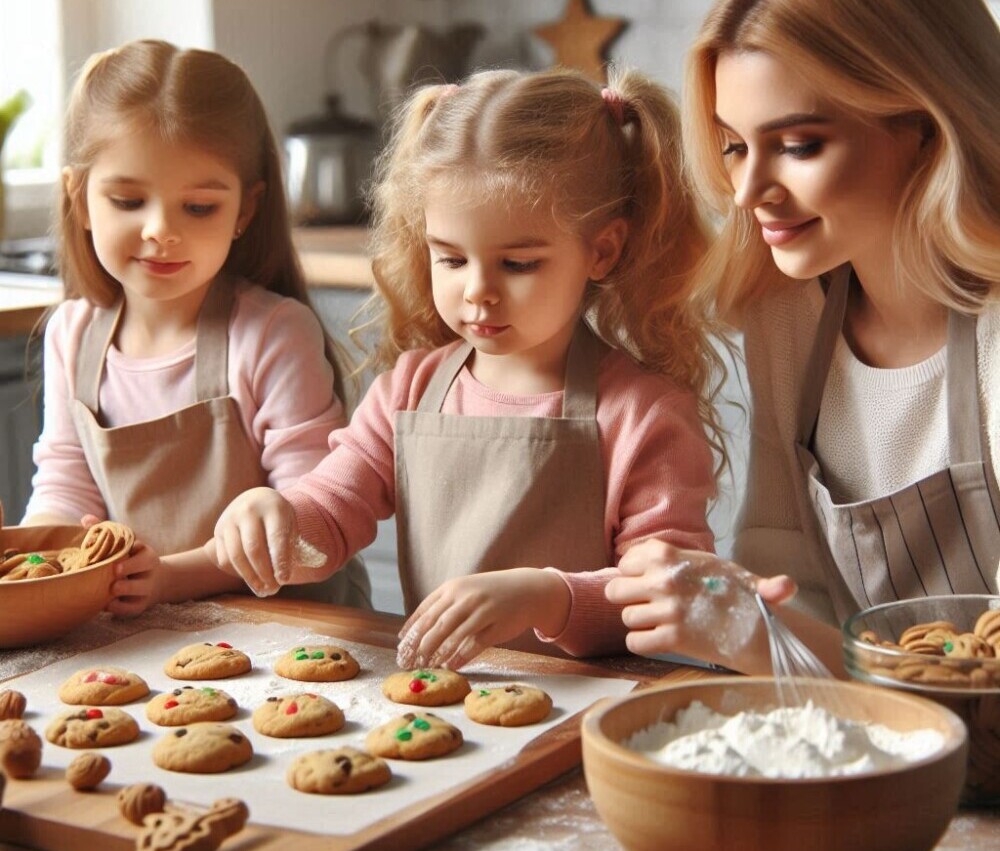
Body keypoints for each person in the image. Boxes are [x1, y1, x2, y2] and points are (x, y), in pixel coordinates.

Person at [212, 66, 725, 670]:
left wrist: (548, 598)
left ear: (601, 250)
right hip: (444, 713)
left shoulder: (642, 414)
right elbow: (329, 514)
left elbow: (674, 603)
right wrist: (277, 517)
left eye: (518, 264)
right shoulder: (410, 390)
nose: (479, 291)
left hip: (587, 720)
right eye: (451, 259)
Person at [606, 0, 1000, 675]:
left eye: (798, 145)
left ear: (929, 131)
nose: (748, 190)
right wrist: (737, 613)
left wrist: (748, 631)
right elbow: (790, 584)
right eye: (734, 146)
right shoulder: (787, 312)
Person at [23, 39, 371, 615]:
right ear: (80, 199)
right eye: (129, 200)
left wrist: (168, 578)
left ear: (246, 210)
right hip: (151, 631)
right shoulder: (72, 335)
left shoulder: (272, 334)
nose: (160, 230)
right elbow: (65, 484)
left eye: (199, 207)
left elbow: (313, 522)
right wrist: (40, 561)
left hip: (294, 628)